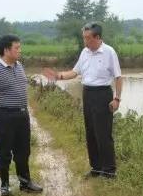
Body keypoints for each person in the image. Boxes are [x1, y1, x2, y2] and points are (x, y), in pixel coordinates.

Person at [43, 22, 122, 178]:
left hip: (103, 94)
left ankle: (109, 170)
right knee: (90, 132)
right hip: (88, 94)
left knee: (103, 134)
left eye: (88, 38)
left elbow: (118, 77)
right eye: (84, 38)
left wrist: (117, 99)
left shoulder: (109, 52)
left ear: (98, 37)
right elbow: (74, 72)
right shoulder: (85, 52)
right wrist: (58, 76)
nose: (85, 42)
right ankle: (96, 168)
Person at [0, 34, 43, 196]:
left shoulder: (19, 66)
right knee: (4, 151)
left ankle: (25, 182)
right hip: (3, 117)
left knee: (23, 150)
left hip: (22, 115)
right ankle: (5, 185)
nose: (20, 51)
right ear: (6, 50)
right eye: (17, 48)